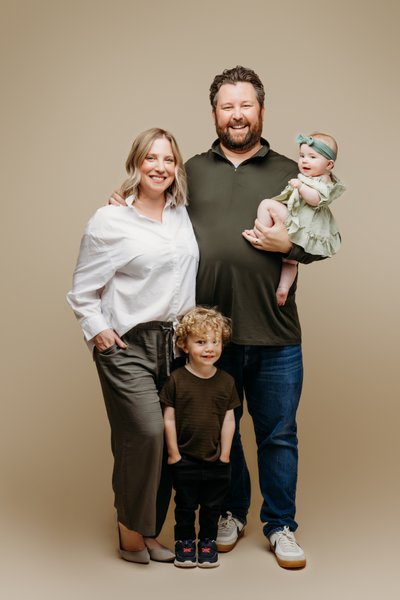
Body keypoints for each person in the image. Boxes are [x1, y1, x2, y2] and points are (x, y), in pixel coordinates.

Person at [110, 66, 328, 569]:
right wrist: (120, 200)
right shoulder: (190, 170)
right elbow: (150, 204)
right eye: (227, 106)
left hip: (275, 333)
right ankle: (231, 512)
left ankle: (280, 525)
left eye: (245, 105)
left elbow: (324, 236)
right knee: (217, 429)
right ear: (214, 112)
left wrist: (288, 245)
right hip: (207, 337)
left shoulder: (290, 172)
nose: (236, 114)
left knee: (278, 434)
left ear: (261, 111)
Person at [67, 128, 199, 564]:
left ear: (176, 167)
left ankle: (149, 532)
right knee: (142, 434)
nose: (160, 167)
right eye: (151, 158)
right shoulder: (110, 220)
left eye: (168, 159)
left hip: (176, 343)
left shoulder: (182, 215)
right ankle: (129, 531)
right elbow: (83, 288)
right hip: (129, 344)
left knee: (166, 438)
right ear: (136, 163)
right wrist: (97, 329)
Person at [160, 307, 240, 568]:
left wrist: (225, 454)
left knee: (211, 507)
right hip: (185, 459)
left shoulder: (226, 382)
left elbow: (229, 419)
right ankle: (184, 543)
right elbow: (168, 418)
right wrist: (174, 454)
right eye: (201, 341)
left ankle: (207, 542)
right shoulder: (176, 380)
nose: (210, 348)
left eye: (215, 341)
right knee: (184, 506)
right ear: (184, 345)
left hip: (216, 459)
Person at [248, 132, 345, 306]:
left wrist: (300, 186)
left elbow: (315, 199)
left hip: (303, 222)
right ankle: (283, 289)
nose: (305, 161)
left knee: (266, 205)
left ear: (329, 164)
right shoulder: (309, 176)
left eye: (312, 157)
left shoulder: (324, 182)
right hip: (299, 222)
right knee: (290, 261)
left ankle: (260, 232)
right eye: (302, 156)